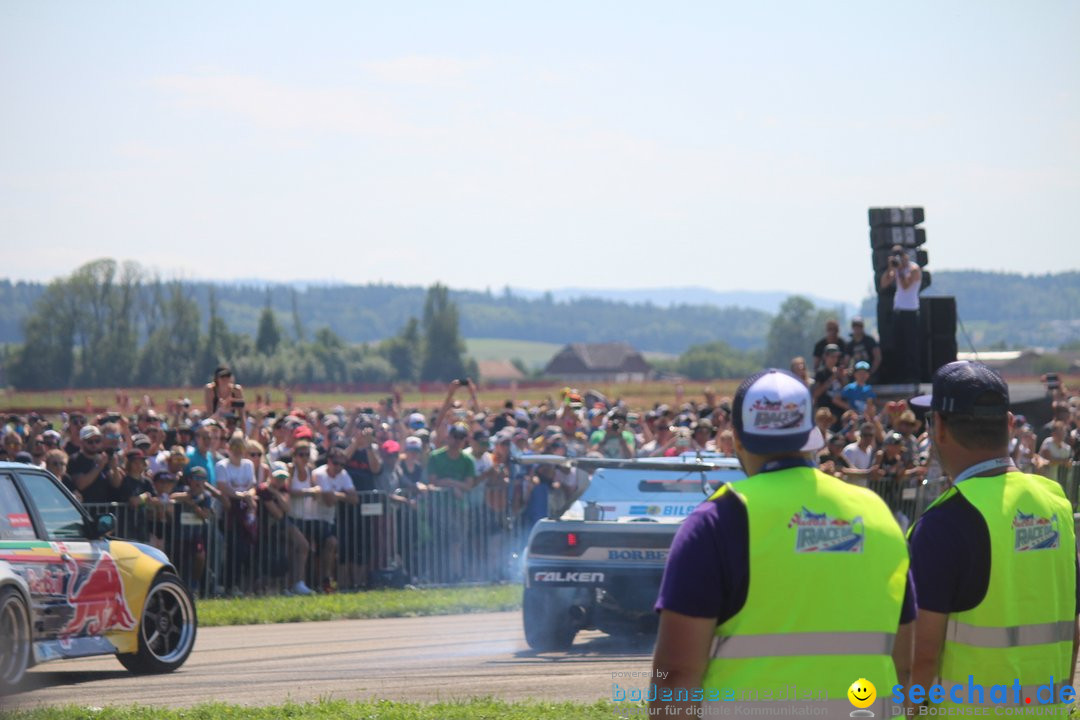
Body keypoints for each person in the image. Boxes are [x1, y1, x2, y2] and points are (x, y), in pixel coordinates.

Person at [651, 368, 912, 717]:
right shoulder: (876, 513)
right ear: (814, 437)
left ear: (738, 440)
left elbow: (676, 678)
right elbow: (908, 665)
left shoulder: (715, 521)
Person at [907, 361, 1078, 713]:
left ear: (938, 427)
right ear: (1009, 423)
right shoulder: (1056, 502)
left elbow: (921, 658)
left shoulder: (942, 523)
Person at [879, 244, 922, 383]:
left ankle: (913, 375)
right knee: (899, 344)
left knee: (911, 345)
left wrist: (901, 270)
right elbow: (884, 284)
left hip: (910, 311)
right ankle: (901, 375)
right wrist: (891, 269)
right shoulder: (897, 268)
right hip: (898, 311)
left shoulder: (913, 269)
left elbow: (905, 286)